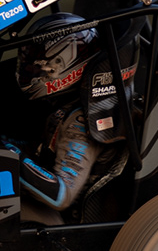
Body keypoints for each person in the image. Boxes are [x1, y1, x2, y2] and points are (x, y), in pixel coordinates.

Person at [13, 11, 136, 212]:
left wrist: (9, 156)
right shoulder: (65, 105)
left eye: (36, 65)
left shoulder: (81, 122)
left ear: (62, 67)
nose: (28, 70)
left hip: (63, 222)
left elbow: (61, 196)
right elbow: (42, 150)